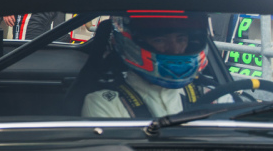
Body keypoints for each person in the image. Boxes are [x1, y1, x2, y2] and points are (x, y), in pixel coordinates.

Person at [81, 11, 210, 119]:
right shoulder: (105, 103)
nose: (174, 50)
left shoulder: (211, 96)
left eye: (181, 40)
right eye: (159, 40)